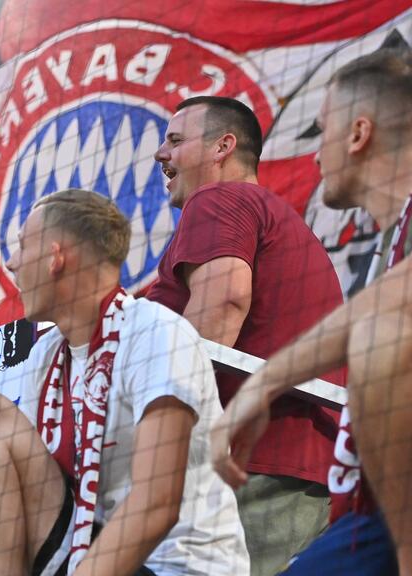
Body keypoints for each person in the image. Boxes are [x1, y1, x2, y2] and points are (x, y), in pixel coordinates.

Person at [0, 189, 248, 575]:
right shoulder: (45, 356)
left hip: (175, 566)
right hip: (89, 551)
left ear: (56, 258)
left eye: (23, 247)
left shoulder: (155, 332)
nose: (11, 262)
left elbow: (157, 504)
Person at [213, 48, 412, 576]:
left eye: (323, 129)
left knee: (378, 338)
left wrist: (262, 384)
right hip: (362, 519)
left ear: (358, 134)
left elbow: (396, 302)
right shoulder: (391, 247)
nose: (316, 154)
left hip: (385, 527)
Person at [144, 95, 344, 575]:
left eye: (175, 140)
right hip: (294, 462)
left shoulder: (221, 198)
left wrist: (153, 432)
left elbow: (220, 310)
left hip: (252, 462)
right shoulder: (273, 215)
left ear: (222, 147)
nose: (160, 154)